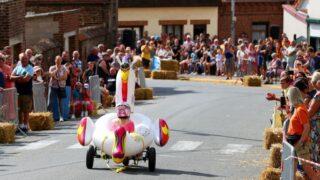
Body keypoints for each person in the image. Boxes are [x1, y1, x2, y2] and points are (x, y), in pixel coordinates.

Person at [286, 87, 320, 179]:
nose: (287, 100)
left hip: (301, 144)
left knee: (309, 171)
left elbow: (306, 127)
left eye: (287, 98)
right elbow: (297, 125)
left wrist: (301, 141)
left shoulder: (300, 109)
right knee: (293, 168)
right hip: (297, 143)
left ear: (292, 97)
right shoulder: (298, 108)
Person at [10, 53, 34, 132]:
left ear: (28, 59)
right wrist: (20, 77)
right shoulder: (17, 67)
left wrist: (17, 78)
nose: (24, 60)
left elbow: (26, 79)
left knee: (26, 110)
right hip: (18, 92)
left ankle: (25, 125)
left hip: (27, 92)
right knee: (19, 109)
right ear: (20, 60)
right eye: (22, 59)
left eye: (25, 59)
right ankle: (21, 125)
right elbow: (11, 77)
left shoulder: (30, 68)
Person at [48, 55, 68, 122]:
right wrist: (56, 69)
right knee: (50, 102)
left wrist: (58, 78)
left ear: (61, 61)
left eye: (60, 60)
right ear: (55, 60)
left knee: (60, 102)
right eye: (57, 60)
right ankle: (49, 117)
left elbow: (65, 77)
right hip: (53, 86)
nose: (58, 61)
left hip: (61, 86)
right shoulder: (52, 67)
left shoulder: (64, 68)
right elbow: (51, 75)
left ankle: (61, 117)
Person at [308, 72, 320, 169]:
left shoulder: (318, 95)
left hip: (317, 129)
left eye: (312, 81)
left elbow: (309, 113)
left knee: (316, 153)